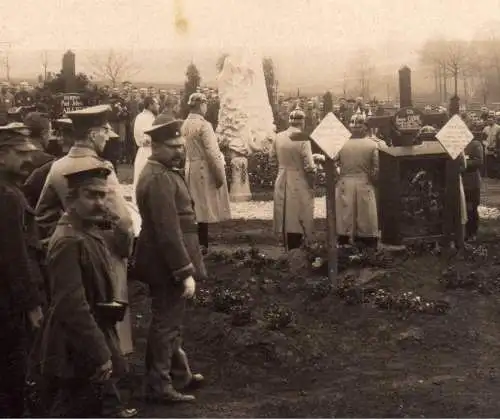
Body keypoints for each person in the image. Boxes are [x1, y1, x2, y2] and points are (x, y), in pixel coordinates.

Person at [35, 164, 137, 418]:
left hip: (91, 336)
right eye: (91, 195)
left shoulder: (87, 230)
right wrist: (100, 352)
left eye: (103, 195)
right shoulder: (69, 240)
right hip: (75, 345)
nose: (100, 202)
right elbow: (72, 306)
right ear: (71, 199)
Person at [36, 105, 135, 356]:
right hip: (104, 250)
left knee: (76, 312)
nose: (108, 134)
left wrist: (55, 241)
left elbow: (43, 215)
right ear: (93, 135)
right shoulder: (100, 168)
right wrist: (124, 249)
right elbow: (122, 220)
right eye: (104, 130)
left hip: (69, 248)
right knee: (109, 322)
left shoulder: (57, 166)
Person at [134, 118, 206, 403]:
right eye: (173, 147)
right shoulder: (159, 177)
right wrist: (184, 271)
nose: (179, 151)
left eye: (181, 146)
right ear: (156, 146)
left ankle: (179, 375)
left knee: (171, 322)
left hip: (166, 261)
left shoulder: (162, 171)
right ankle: (159, 385)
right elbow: (168, 231)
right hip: (166, 264)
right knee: (166, 324)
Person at [0, 125, 44, 417]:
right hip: (8, 302)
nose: (29, 159)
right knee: (12, 372)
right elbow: (16, 258)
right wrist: (31, 305)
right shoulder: (9, 197)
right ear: (1, 157)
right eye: (20, 154)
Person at [181, 92, 231, 253]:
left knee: (194, 205)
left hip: (190, 167)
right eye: (205, 104)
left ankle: (196, 242)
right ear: (200, 105)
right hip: (203, 168)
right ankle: (202, 244)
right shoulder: (204, 125)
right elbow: (212, 152)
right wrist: (219, 175)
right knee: (203, 207)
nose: (206, 107)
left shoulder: (185, 124)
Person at [271, 106, 316, 251]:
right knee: (299, 212)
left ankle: (287, 247)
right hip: (298, 177)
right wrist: (312, 181)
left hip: (282, 175)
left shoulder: (279, 136)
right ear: (302, 122)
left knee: (284, 211)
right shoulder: (302, 137)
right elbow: (309, 165)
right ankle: (297, 248)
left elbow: (271, 159)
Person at [335, 111, 379, 248]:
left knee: (345, 213)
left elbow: (332, 163)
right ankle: (367, 243)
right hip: (364, 182)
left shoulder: (341, 144)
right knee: (366, 213)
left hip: (345, 182)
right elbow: (376, 169)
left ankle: (344, 241)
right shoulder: (372, 145)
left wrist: (338, 175)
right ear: (365, 127)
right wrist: (374, 181)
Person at [132, 96, 158, 199]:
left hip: (142, 151)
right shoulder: (149, 118)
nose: (158, 106)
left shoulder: (139, 116)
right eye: (156, 104)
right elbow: (147, 137)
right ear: (150, 105)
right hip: (148, 151)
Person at [463, 123, 485, 241]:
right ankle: (463, 232)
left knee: (471, 209)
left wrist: (463, 164)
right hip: (459, 183)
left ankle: (472, 233)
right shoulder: (456, 145)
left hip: (471, 183)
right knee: (461, 209)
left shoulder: (475, 144)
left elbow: (478, 162)